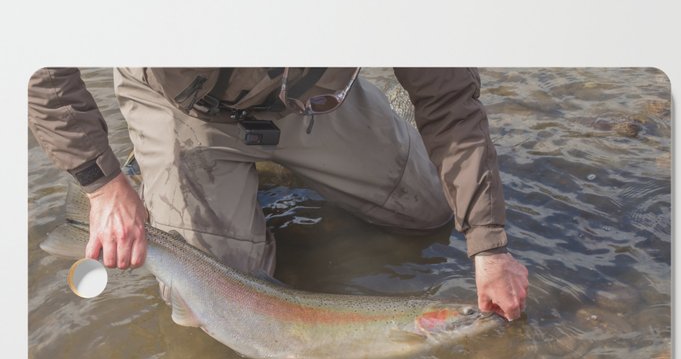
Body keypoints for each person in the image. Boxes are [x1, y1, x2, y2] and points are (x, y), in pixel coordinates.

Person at [28, 67, 528, 320]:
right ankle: (156, 176)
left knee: (431, 211)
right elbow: (42, 63)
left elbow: (449, 99)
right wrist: (102, 184)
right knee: (221, 307)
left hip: (313, 101)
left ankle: (265, 172)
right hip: (184, 107)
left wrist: (489, 245)